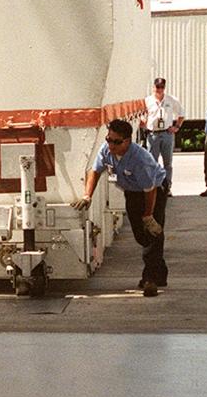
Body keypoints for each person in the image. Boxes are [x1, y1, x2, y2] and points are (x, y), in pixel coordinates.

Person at [72, 119, 168, 297]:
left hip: (154, 191)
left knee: (152, 232)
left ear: (127, 141)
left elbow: (150, 190)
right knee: (140, 235)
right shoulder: (106, 150)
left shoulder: (141, 159)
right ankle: (159, 270)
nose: (111, 145)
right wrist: (87, 195)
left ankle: (150, 279)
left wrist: (148, 215)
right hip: (132, 191)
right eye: (109, 139)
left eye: (116, 141)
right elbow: (95, 170)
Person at [144, 77, 185, 185]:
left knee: (168, 163)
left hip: (167, 133)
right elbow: (142, 115)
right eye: (157, 87)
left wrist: (177, 127)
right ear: (153, 87)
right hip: (153, 134)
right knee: (152, 162)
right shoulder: (148, 101)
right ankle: (153, 186)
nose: (159, 89)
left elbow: (181, 114)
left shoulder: (171, 100)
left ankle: (167, 186)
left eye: (162, 87)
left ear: (164, 88)